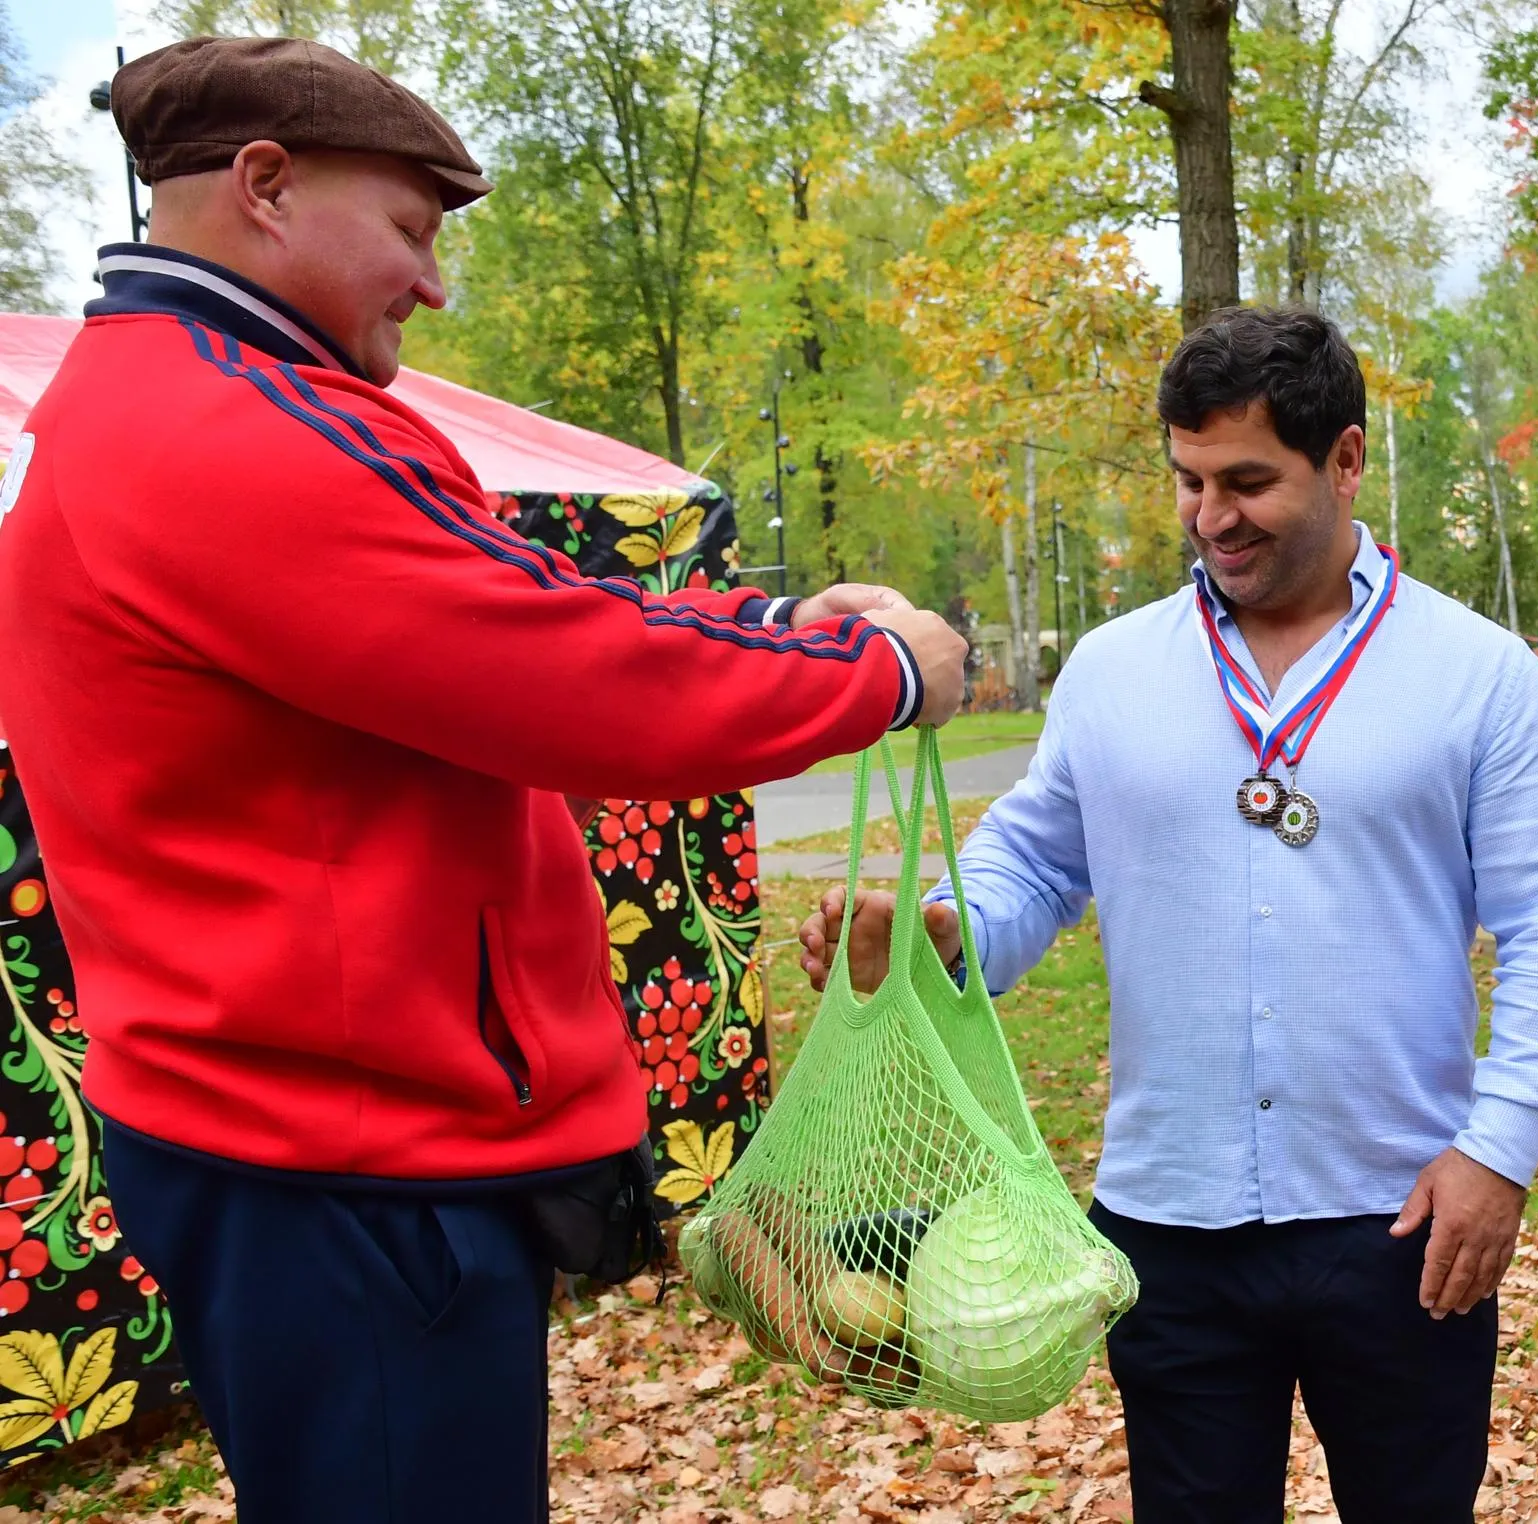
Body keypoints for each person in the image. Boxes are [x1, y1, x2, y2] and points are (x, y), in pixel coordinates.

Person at [0, 36, 966, 1524]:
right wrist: (887, 675)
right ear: (265, 185)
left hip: (292, 1135)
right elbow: (581, 683)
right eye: (411, 231)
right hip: (349, 1163)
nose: (434, 284)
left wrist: (779, 621)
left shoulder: (177, 402)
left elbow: (503, 598)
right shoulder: (235, 433)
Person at [799, 306, 1538, 1522]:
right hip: (1165, 1224)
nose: (1211, 516)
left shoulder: (1477, 672)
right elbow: (1033, 865)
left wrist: (1499, 1152)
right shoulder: (1116, 669)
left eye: (1247, 481)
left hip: (1402, 1217)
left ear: (1343, 460)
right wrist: (938, 927)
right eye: (1188, 481)